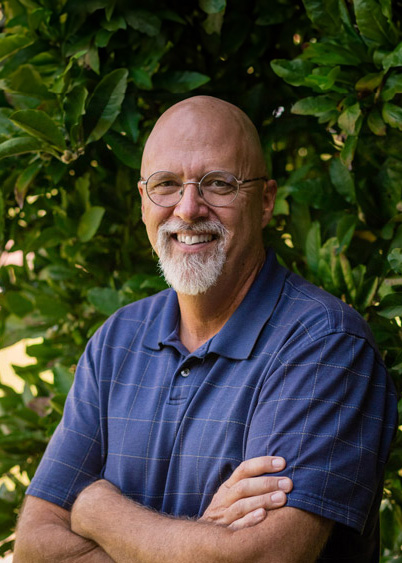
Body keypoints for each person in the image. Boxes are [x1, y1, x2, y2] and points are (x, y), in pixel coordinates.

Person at [14, 96, 397, 562]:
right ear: (143, 202)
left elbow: (261, 558)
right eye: (167, 184)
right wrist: (202, 544)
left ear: (265, 201)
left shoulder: (325, 345)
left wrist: (99, 510)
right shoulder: (116, 340)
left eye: (218, 184)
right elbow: (35, 547)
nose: (189, 208)